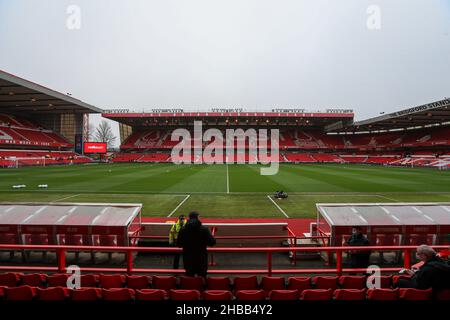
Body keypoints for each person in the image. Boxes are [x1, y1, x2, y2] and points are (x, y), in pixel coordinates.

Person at [177, 211, 216, 277]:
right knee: (202, 279)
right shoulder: (204, 229)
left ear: (189, 218)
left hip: (188, 259)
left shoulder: (183, 229)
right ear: (197, 217)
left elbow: (179, 244)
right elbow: (212, 242)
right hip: (201, 259)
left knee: (190, 280)